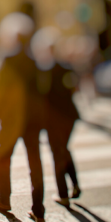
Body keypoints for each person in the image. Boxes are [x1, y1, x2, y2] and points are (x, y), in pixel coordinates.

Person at [0, 13, 47, 222]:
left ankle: (5, 198)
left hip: (11, 118)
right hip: (32, 119)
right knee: (34, 162)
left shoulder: (6, 58)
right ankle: (38, 208)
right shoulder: (35, 60)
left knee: (3, 157)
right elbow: (41, 90)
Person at [30, 27, 82, 208]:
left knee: (57, 153)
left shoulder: (43, 70)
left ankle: (63, 194)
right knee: (64, 150)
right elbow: (74, 88)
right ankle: (74, 186)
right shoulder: (66, 67)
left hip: (53, 119)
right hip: (70, 116)